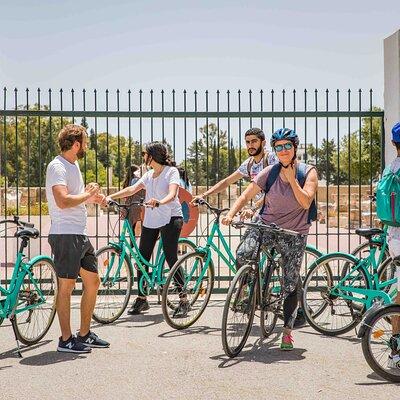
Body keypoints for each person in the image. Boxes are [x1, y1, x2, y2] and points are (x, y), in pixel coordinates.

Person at [221, 128, 318, 350]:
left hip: (293, 233)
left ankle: (287, 332)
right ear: (274, 149)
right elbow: (247, 195)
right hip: (266, 225)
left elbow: (305, 203)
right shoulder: (269, 172)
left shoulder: (308, 172)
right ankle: (249, 291)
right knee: (243, 253)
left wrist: (293, 180)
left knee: (290, 283)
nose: (283, 151)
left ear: (294, 148)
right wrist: (230, 214)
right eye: (279, 147)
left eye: (287, 146)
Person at [45, 124, 109, 353]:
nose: (87, 146)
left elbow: (76, 198)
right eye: (85, 142)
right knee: (67, 286)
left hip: (79, 234)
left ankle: (84, 334)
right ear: (76, 144)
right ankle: (65, 339)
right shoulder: (57, 167)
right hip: (65, 234)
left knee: (93, 282)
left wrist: (95, 199)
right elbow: (62, 201)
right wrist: (88, 194)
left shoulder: (74, 166)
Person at [104, 142, 187, 316]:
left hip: (171, 217)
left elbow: (173, 193)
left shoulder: (170, 172)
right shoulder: (148, 175)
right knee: (142, 259)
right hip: (152, 218)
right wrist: (110, 196)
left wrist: (160, 201)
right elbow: (132, 189)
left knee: (171, 257)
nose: (143, 158)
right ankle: (142, 299)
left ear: (152, 156)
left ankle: (183, 299)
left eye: (145, 154)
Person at [192, 127, 277, 217]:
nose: (250, 145)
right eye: (247, 142)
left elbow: (275, 191)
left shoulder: (272, 159)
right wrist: (204, 195)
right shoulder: (249, 164)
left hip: (279, 212)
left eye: (254, 141)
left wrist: (253, 208)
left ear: (263, 143)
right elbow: (227, 181)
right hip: (263, 212)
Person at [382, 122, 400, 368]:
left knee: (398, 289)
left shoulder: (391, 167)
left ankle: (396, 347)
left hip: (394, 237)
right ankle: (396, 352)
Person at [120, 165, 145, 236]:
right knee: (142, 227)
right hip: (139, 205)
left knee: (132, 228)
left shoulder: (127, 182)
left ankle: (132, 245)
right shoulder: (138, 181)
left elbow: (125, 196)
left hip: (129, 206)